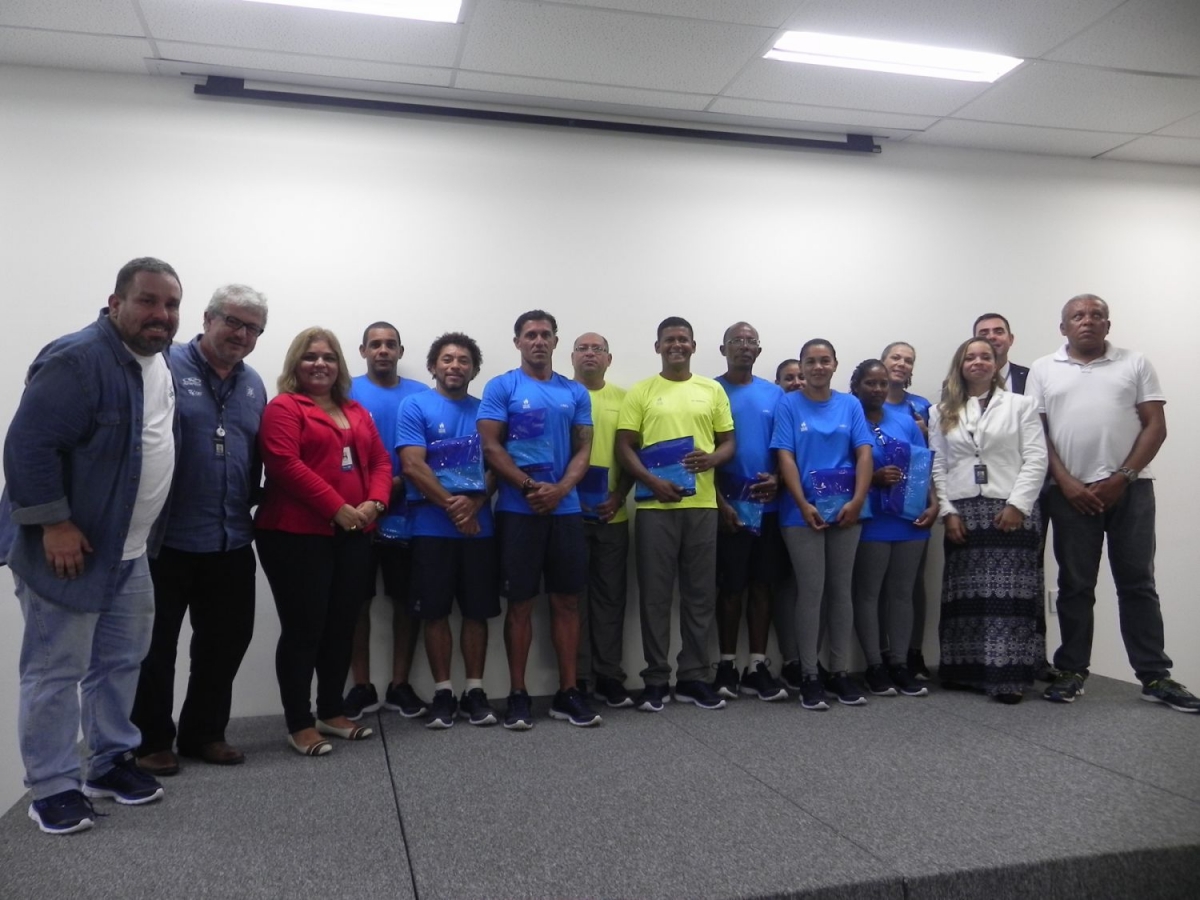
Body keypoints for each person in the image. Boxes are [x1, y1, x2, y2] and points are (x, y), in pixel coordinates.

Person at [4, 257, 181, 833]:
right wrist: (54, 523)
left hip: (130, 552)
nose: (161, 315)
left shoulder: (159, 363)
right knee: (56, 670)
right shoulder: (79, 358)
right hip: (71, 551)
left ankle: (107, 761)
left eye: (171, 305)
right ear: (115, 303)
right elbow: (28, 446)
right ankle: (52, 786)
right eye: (148, 301)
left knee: (119, 661)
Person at [1029, 294, 1198, 712]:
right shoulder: (1043, 368)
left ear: (1108, 324)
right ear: (1063, 327)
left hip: (1132, 491)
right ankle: (1071, 671)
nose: (1087, 321)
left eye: (1096, 315)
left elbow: (1155, 426)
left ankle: (1155, 675)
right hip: (1071, 494)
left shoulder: (1134, 363)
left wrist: (1123, 478)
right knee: (1074, 585)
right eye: (1077, 316)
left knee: (1138, 583)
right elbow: (1037, 433)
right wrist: (1065, 482)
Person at [131, 284, 268, 776]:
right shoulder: (162, 365)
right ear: (207, 318)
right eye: (234, 321)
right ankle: (150, 740)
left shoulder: (254, 384)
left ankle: (204, 732)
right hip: (164, 538)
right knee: (154, 646)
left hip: (230, 535)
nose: (242, 333)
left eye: (253, 328)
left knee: (226, 640)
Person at [255, 327, 394, 756]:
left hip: (353, 533)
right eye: (311, 357)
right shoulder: (284, 407)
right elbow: (284, 465)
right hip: (295, 535)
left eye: (328, 357)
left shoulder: (355, 410)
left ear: (340, 365)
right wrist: (338, 508)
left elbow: (380, 462)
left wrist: (375, 503)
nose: (320, 364)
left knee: (341, 626)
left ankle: (331, 710)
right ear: (296, 364)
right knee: (304, 628)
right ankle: (298, 722)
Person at [478, 310, 601, 729]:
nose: (538, 341)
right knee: (521, 604)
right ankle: (517, 694)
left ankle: (567, 693)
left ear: (554, 341)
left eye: (545, 334)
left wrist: (562, 490)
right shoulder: (502, 387)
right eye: (530, 335)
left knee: (567, 601)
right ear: (517, 342)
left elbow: (584, 449)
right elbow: (491, 448)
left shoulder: (575, 392)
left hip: (565, 511)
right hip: (518, 512)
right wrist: (530, 488)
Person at [617, 317, 735, 712]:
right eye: (669, 340)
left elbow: (728, 442)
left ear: (694, 346)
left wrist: (713, 458)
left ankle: (694, 678)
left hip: (701, 506)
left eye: (683, 340)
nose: (677, 345)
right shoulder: (642, 392)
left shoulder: (712, 389)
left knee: (700, 597)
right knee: (654, 597)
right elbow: (625, 447)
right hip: (655, 507)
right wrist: (652, 481)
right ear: (657, 347)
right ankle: (655, 680)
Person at [929, 338, 1046, 703]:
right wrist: (947, 512)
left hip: (1010, 511)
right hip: (964, 513)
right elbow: (938, 464)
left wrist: (1018, 504)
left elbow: (1036, 458)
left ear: (997, 363)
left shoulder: (1021, 405)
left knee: (1009, 600)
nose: (978, 362)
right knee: (967, 598)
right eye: (970, 356)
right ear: (959, 365)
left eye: (986, 356)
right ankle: (965, 671)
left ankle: (1007, 677)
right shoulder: (942, 411)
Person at [398, 333, 501, 728]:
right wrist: (454, 506)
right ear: (433, 366)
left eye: (463, 360)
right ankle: (443, 692)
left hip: (480, 530)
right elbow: (412, 465)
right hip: (430, 529)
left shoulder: (486, 412)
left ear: (474, 369)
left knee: (477, 613)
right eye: (447, 359)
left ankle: (475, 690)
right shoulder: (415, 405)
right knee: (435, 613)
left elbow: (497, 466)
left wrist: (473, 505)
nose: (455, 366)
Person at [771, 339, 872, 710]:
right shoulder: (788, 404)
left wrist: (858, 501)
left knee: (841, 591)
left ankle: (840, 671)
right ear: (802, 366)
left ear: (834, 365)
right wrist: (803, 503)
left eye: (824, 360)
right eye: (810, 361)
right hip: (802, 514)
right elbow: (785, 457)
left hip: (848, 510)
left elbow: (863, 453)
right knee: (811, 592)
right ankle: (810, 674)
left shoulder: (850, 404)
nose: (817, 367)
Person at [343, 323, 430, 721]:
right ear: (362, 351)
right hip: (355, 515)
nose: (383, 350)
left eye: (390, 344)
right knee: (354, 602)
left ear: (400, 350)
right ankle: (361, 686)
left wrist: (396, 485)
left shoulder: (421, 395)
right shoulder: (344, 393)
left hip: (408, 513)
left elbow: (431, 456)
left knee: (405, 602)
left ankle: (400, 685)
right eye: (375, 344)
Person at [848, 359, 935, 699]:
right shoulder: (849, 422)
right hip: (871, 518)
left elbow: (920, 463)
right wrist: (873, 479)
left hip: (909, 518)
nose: (878, 389)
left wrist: (933, 503)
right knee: (868, 594)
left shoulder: (906, 421)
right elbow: (840, 468)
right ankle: (874, 665)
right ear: (856, 387)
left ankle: (899, 663)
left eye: (883, 383)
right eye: (870, 383)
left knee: (902, 593)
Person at [712, 323, 787, 702]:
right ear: (722, 348)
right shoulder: (708, 390)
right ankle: (726, 665)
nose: (743, 347)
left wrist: (778, 479)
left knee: (763, 585)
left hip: (769, 505)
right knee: (730, 588)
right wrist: (719, 502)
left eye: (750, 342)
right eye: (736, 341)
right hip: (726, 505)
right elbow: (700, 452)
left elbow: (788, 448)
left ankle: (757, 664)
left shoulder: (776, 395)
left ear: (759, 350)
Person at [571, 332, 635, 708]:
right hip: (569, 515)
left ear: (609, 359)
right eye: (583, 348)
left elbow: (632, 453)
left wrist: (618, 495)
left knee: (611, 599)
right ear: (572, 357)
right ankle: (578, 677)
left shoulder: (625, 400)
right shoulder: (563, 395)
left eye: (598, 349)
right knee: (573, 600)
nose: (590, 354)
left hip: (614, 513)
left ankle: (609, 675)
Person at [880, 340, 934, 680]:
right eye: (895, 357)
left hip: (915, 507)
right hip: (876, 507)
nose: (901, 363)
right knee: (872, 587)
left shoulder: (922, 408)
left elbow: (936, 455)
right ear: (882, 362)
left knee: (913, 583)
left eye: (908, 360)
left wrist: (929, 436)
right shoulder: (861, 404)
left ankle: (911, 653)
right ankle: (881, 656)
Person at [773, 358, 804, 689]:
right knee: (785, 586)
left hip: (822, 513)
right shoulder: (779, 412)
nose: (796, 382)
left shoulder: (830, 409)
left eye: (800, 376)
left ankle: (809, 658)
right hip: (780, 513)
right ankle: (791, 658)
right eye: (788, 378)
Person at [973, 313, 1029, 394]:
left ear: (1011, 339)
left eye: (998, 332)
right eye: (984, 334)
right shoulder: (960, 380)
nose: (991, 337)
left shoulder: (1028, 377)